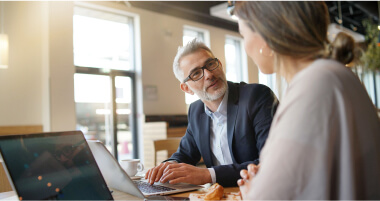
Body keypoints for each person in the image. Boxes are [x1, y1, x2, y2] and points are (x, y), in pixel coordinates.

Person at [233, 1, 380, 199]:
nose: (245, 47)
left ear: (266, 37)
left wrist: (254, 191)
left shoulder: (314, 86)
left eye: (243, 35)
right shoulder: (334, 75)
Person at [145, 39, 278, 187]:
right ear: (186, 88)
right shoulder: (196, 111)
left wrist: (208, 175)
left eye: (210, 64)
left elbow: (271, 162)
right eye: (196, 73)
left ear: (219, 64)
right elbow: (185, 154)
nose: (208, 74)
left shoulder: (256, 96)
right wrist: (168, 166)